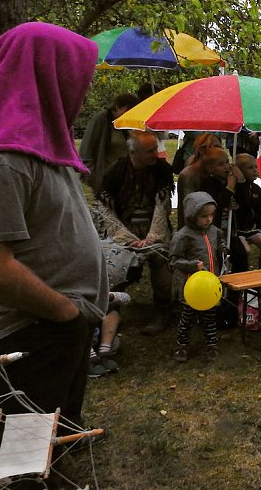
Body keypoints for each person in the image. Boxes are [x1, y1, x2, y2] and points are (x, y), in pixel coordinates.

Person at [0, 22, 108, 426]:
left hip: (60, 324)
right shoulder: (3, 160)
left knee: (54, 433)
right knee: (20, 453)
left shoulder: (40, 149)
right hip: (28, 329)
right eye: (76, 78)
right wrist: (63, 313)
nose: (84, 89)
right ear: (43, 76)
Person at [96, 131, 174, 335]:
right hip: (122, 230)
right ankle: (112, 309)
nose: (155, 154)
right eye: (149, 151)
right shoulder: (115, 172)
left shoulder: (162, 170)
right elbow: (104, 209)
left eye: (155, 149)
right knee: (112, 262)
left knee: (160, 259)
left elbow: (162, 206)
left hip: (154, 230)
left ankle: (163, 311)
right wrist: (126, 238)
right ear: (133, 152)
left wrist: (152, 237)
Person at [169, 192, 226, 363]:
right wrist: (192, 265)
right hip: (191, 286)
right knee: (187, 318)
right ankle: (181, 345)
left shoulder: (214, 231)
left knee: (209, 316)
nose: (208, 219)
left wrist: (223, 249)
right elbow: (173, 260)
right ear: (192, 216)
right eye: (203, 216)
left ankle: (212, 344)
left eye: (211, 215)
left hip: (209, 285)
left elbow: (219, 243)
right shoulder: (183, 235)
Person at [79, 92, 138, 189]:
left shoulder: (126, 124)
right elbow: (86, 152)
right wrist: (94, 178)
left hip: (124, 178)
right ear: (118, 106)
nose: (130, 115)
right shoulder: (100, 121)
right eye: (128, 111)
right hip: (105, 178)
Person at [233, 154, 261, 268]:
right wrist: (241, 182)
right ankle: (243, 274)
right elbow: (243, 201)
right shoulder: (236, 188)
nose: (255, 171)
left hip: (251, 229)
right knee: (246, 250)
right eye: (250, 168)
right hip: (238, 230)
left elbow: (260, 212)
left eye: (255, 167)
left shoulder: (256, 189)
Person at [176, 133, 223, 223]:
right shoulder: (188, 174)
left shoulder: (215, 173)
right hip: (194, 228)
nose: (219, 151)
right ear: (202, 150)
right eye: (216, 147)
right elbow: (191, 207)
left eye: (220, 147)